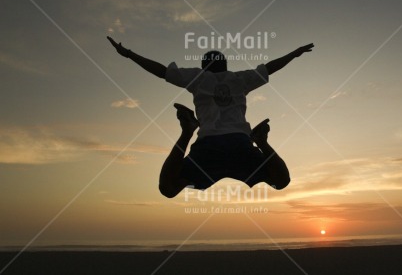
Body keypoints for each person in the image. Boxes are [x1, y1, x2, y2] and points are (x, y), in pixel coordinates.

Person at [107, 36, 314, 198]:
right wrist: (294, 54)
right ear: (225, 65)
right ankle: (261, 141)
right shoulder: (239, 78)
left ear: (204, 66)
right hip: (239, 144)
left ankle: (188, 131)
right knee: (281, 181)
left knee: (169, 188)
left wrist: (129, 54)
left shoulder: (198, 77)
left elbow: (162, 71)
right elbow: (270, 68)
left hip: (209, 146)